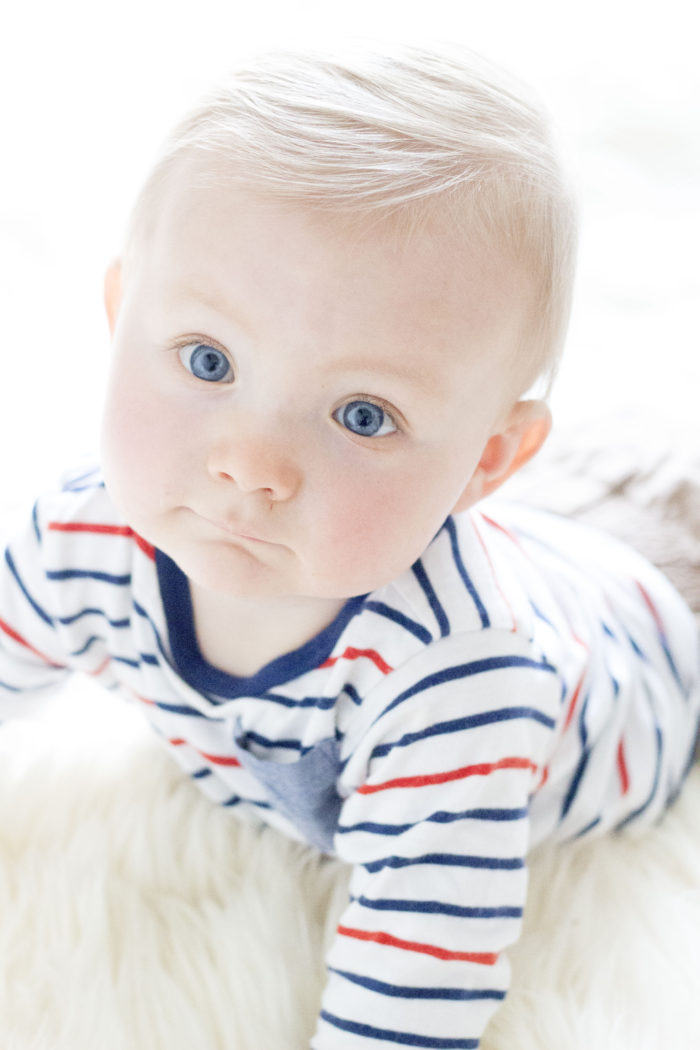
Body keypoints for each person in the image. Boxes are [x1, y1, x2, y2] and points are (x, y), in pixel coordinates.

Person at [1, 43, 698, 1050]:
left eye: (362, 415)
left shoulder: (461, 683)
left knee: (659, 488)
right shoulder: (81, 537)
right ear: (120, 318)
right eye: (209, 361)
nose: (251, 464)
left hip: (649, 634)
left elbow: (421, 959)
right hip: (538, 529)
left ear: (483, 460)